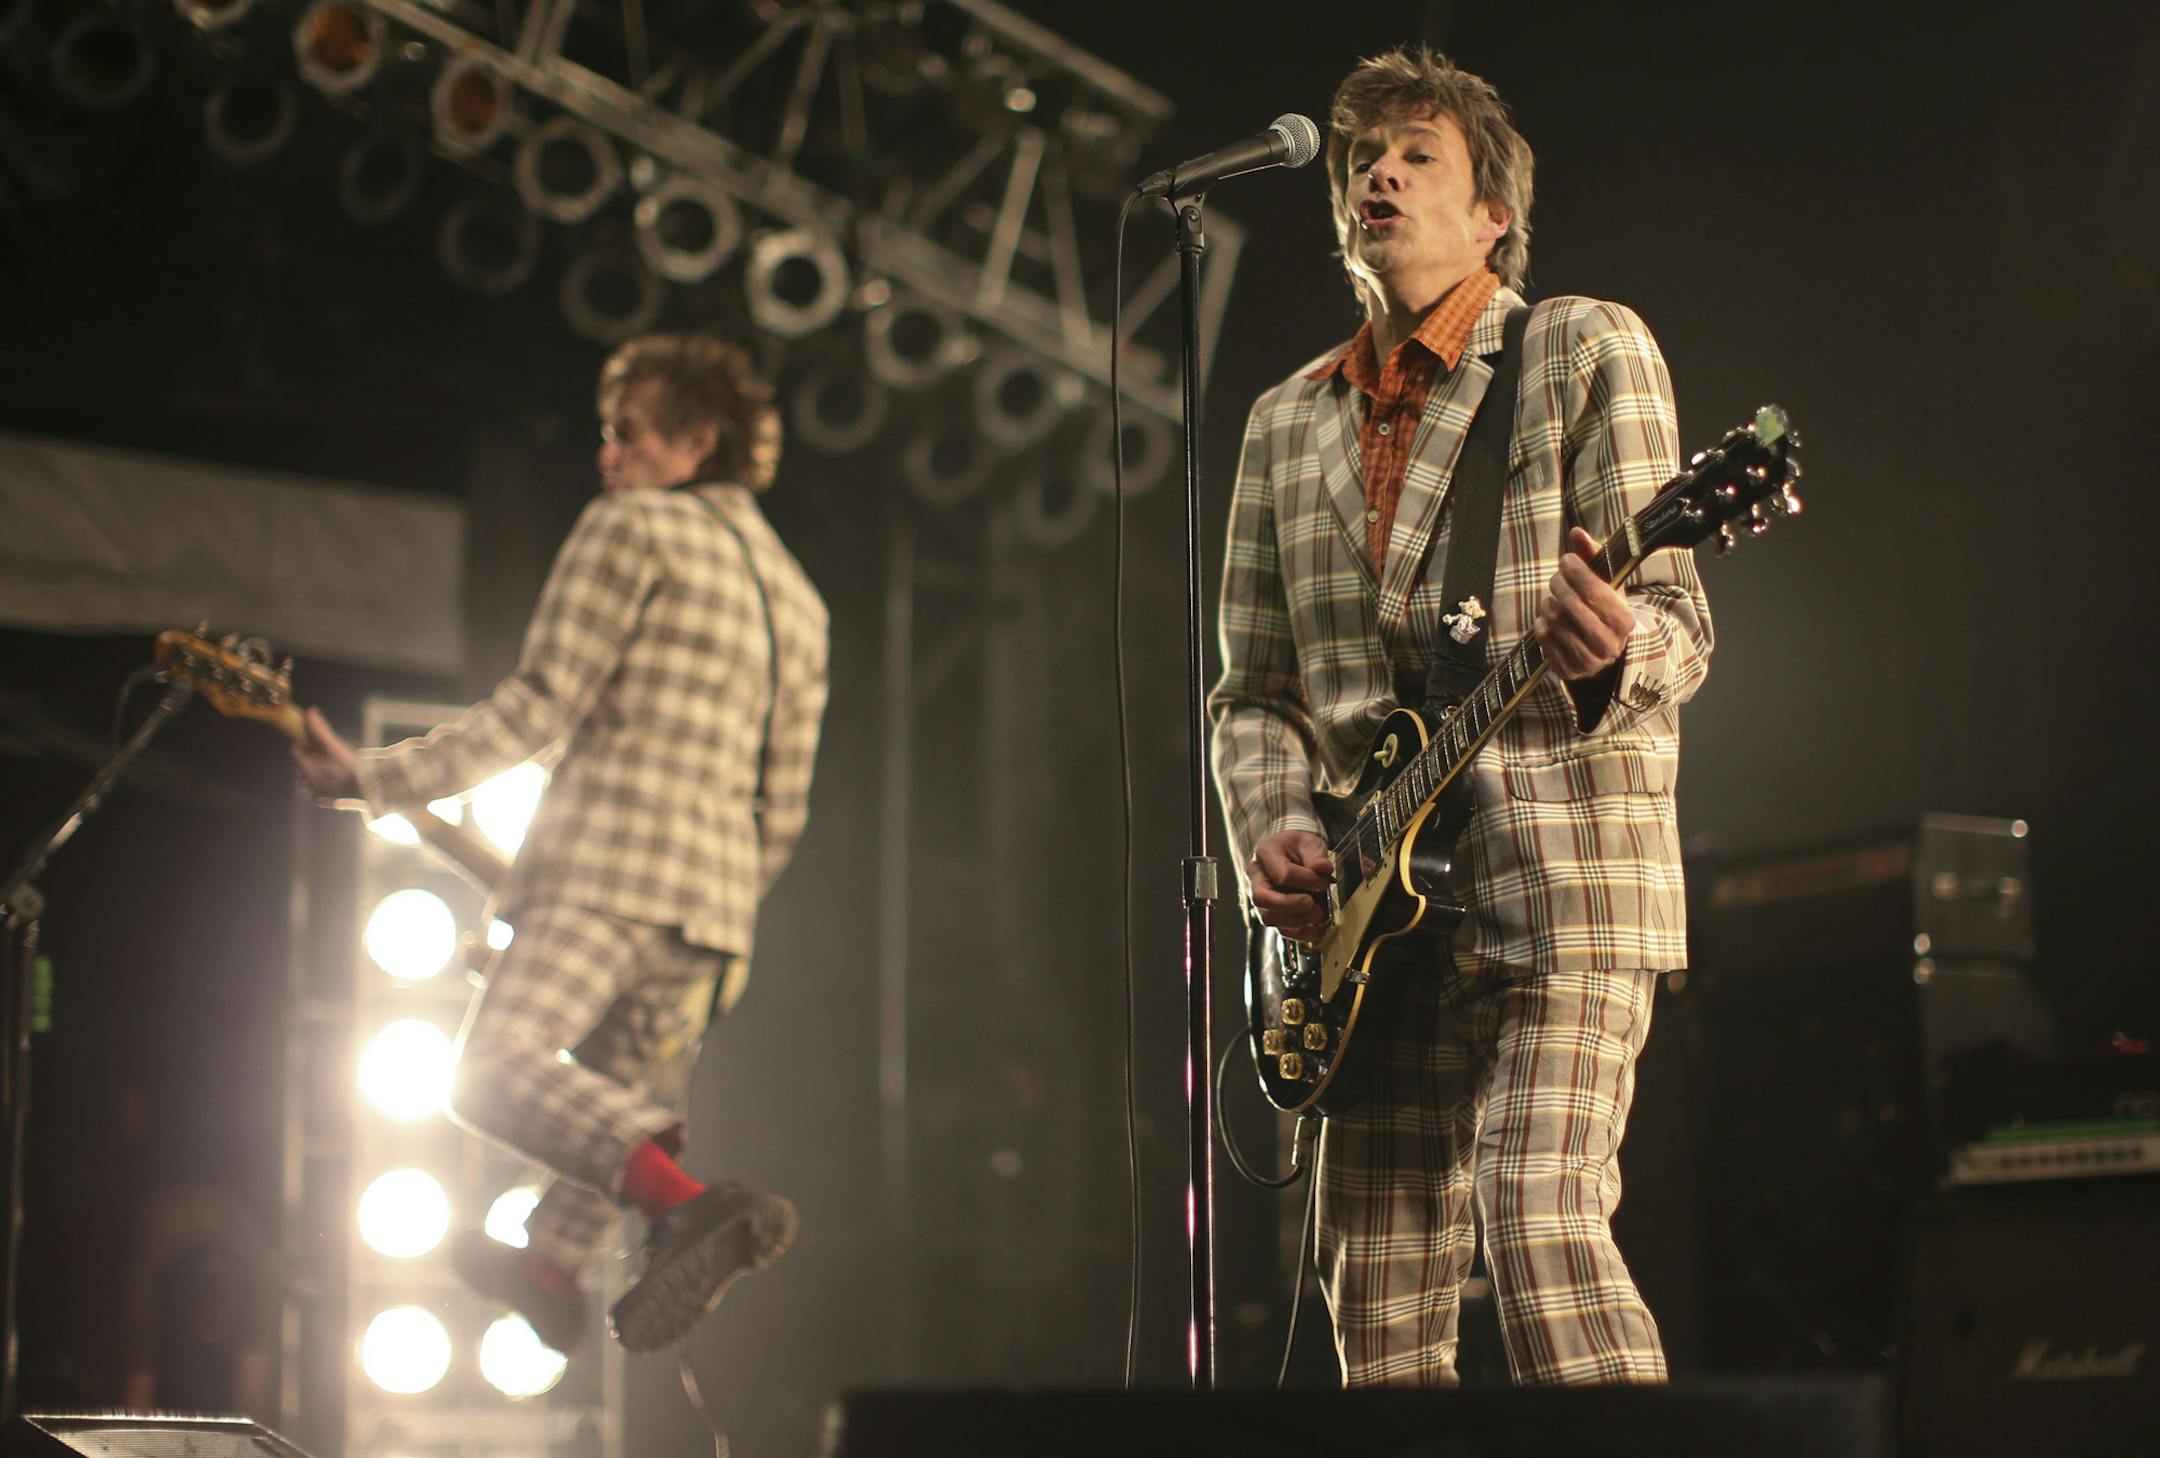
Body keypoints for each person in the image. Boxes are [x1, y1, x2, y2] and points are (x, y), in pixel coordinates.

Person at [1209, 46, 1712, 1386]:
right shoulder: (1278, 426)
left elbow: (1681, 630)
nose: (1376, 170)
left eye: (1415, 153)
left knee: (1537, 1220)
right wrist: (1273, 827)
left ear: (1494, 212)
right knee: (1370, 1303)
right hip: (1371, 927)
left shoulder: (1582, 346)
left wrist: (1612, 652)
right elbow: (1253, 693)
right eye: (1357, 157)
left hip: (1564, 878)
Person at [293, 334, 830, 1357]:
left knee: (492, 1072)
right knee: (612, 1099)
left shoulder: (633, 527)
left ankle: (691, 1205)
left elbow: (540, 706)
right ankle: (548, 1267)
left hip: (605, 875)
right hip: (714, 920)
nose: (607, 454)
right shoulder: (804, 605)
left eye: (625, 431)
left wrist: (374, 777)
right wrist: (721, 899)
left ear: (697, 439)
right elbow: (788, 806)